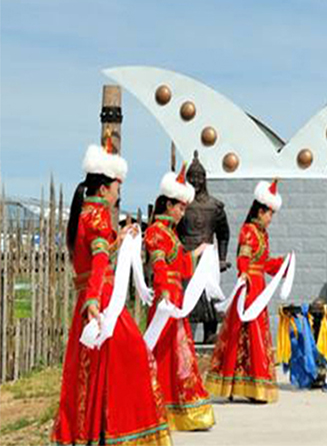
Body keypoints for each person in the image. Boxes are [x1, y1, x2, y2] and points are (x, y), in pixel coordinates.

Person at [52, 139, 172, 446]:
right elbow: (99, 260)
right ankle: (123, 431)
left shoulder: (88, 215)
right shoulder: (98, 216)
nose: (119, 191)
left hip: (93, 297)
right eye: (118, 185)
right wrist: (94, 300)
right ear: (104, 188)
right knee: (134, 359)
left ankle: (99, 431)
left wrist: (119, 238)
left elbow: (98, 253)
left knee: (97, 370)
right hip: (102, 300)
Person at [144, 165, 214, 430]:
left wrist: (197, 253)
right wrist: (164, 294)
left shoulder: (170, 233)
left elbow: (181, 265)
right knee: (165, 354)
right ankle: (161, 407)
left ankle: (178, 408)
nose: (183, 212)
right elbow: (160, 266)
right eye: (181, 207)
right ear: (169, 204)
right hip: (166, 301)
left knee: (178, 354)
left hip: (174, 298)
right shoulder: (156, 232)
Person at [206, 180, 289, 401]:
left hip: (258, 286)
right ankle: (250, 386)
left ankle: (250, 385)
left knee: (254, 334)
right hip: (250, 287)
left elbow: (265, 264)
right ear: (260, 211)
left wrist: (284, 264)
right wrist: (243, 273)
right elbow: (243, 256)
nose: (270, 219)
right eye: (269, 214)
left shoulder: (262, 234)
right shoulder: (249, 231)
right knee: (247, 333)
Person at [176, 151, 229, 344]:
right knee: (186, 296)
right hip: (187, 256)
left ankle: (209, 334)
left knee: (209, 297)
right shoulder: (181, 205)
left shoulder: (215, 206)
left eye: (199, 177)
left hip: (207, 257)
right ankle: (184, 335)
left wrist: (222, 258)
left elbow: (224, 234)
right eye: (192, 177)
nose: (196, 181)